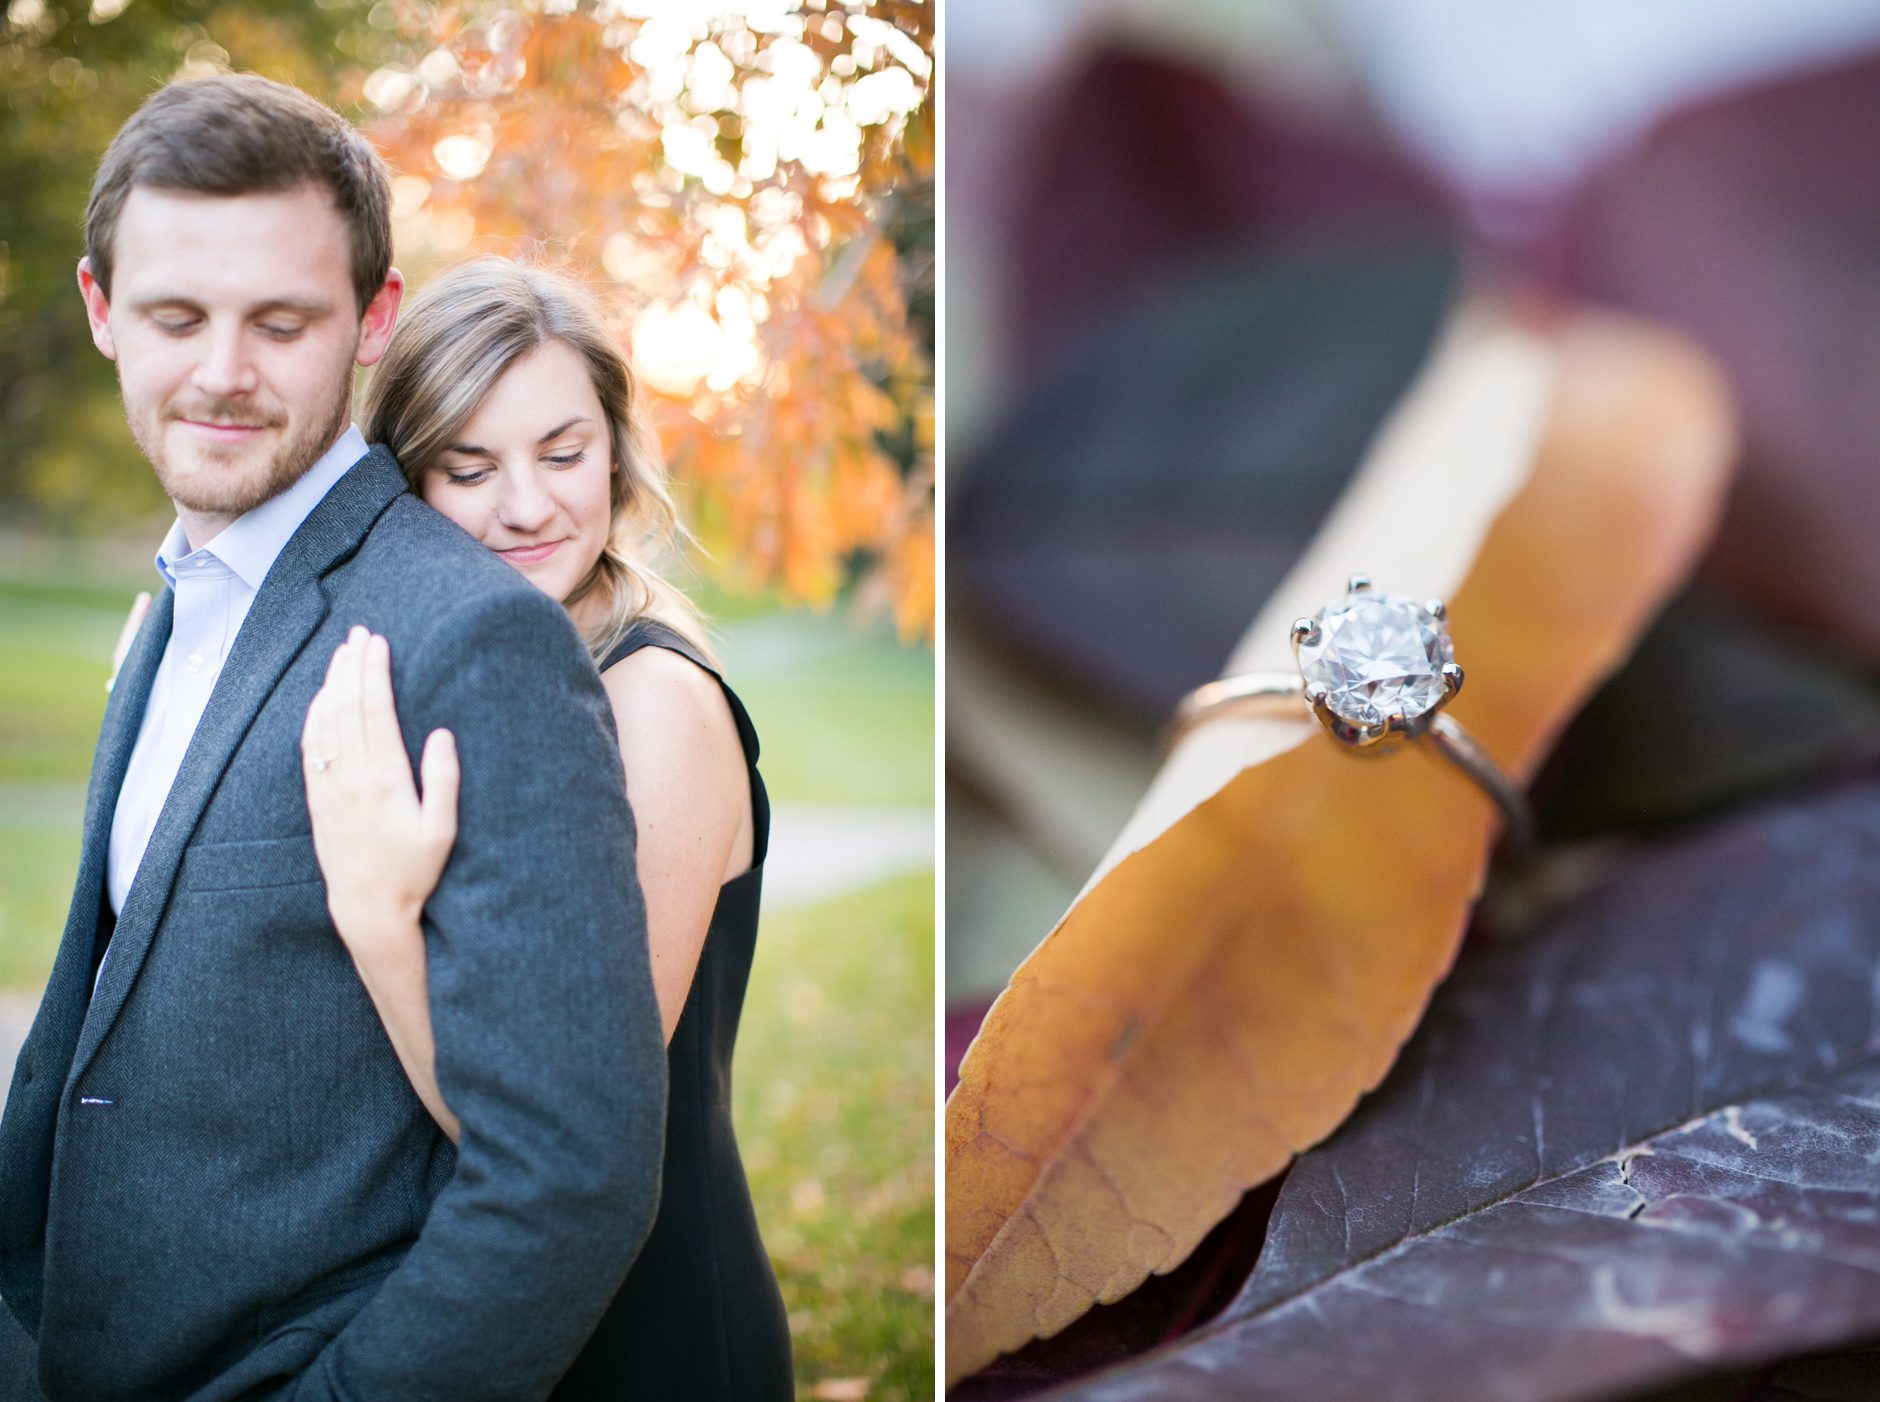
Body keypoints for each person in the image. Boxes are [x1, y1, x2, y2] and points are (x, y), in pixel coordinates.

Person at [0, 74, 666, 1401]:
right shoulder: (180, 603)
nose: (222, 372)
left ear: (372, 318)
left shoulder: (470, 636)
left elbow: (569, 1175)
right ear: (100, 310)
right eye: (176, 316)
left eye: (281, 321)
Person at [299, 256, 794, 1399]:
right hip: (479, 1307)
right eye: (469, 468)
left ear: (615, 451)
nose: (524, 506)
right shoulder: (450, 676)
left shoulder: (656, 708)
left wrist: (378, 918)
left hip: (647, 1332)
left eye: (562, 454)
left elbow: (556, 1132)